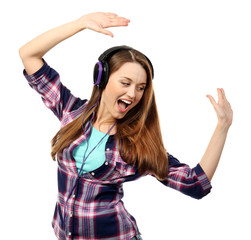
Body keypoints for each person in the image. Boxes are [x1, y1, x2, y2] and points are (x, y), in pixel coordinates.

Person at [19, 12, 233, 240]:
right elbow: (29, 55)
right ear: (101, 79)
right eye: (125, 83)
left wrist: (223, 125)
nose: (132, 94)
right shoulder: (72, 112)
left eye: (141, 87)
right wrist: (80, 24)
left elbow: (195, 184)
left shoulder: (135, 146)